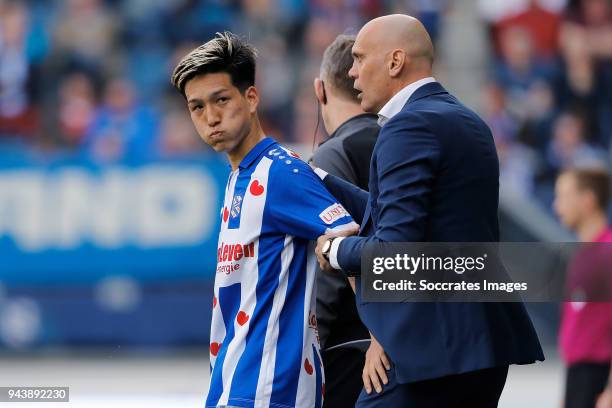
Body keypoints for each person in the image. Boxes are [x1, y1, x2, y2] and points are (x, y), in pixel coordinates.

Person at [313, 14, 544, 407]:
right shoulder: (468, 120)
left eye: (359, 58)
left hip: (430, 348)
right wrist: (321, 180)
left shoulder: (408, 127)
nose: (351, 73)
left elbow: (396, 249)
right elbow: (407, 217)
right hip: (482, 345)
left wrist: (335, 253)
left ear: (395, 61)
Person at [171, 32, 357, 408]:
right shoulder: (238, 175)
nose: (211, 117)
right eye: (197, 107)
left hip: (271, 390)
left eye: (221, 99)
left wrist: (383, 340)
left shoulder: (281, 172)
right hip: (235, 382)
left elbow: (354, 242)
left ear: (251, 98)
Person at [311, 34, 379, 408]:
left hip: (351, 347)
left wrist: (313, 340)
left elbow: (330, 263)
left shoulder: (330, 157)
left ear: (319, 89)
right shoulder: (404, 141)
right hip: (407, 335)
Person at [553, 168, 612, 408]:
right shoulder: (582, 255)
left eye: (564, 197)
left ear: (587, 200)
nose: (557, 207)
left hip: (598, 378)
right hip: (578, 379)